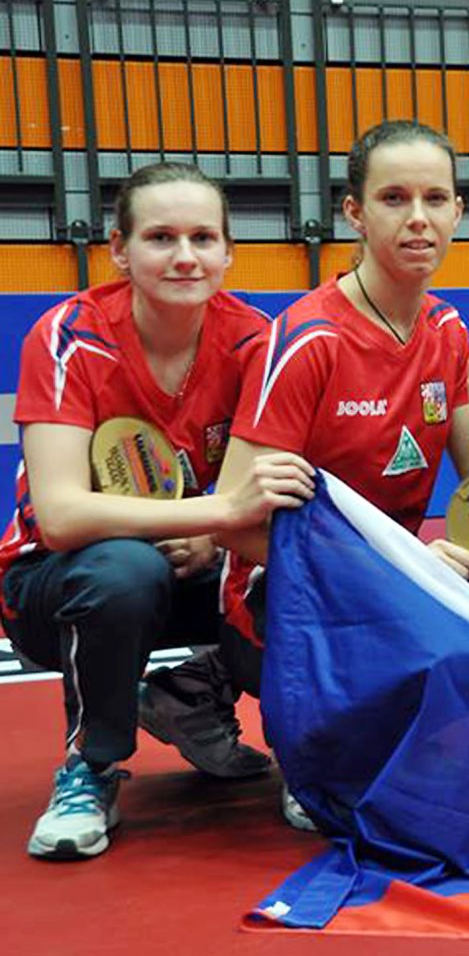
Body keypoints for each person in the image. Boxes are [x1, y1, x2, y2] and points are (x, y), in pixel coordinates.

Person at [0, 162, 316, 859]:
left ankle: (222, 710)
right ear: (119, 249)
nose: (184, 256)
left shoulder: (257, 342)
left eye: (204, 237)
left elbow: (256, 498)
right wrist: (212, 514)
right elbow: (59, 517)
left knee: (298, 567)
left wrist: (213, 532)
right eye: (160, 236)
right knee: (122, 568)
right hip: (57, 588)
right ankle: (90, 766)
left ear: (229, 253)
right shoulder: (69, 338)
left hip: (201, 569)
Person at [214, 120, 469, 831]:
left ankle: (196, 686)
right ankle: (300, 734)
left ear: (459, 212)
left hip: (399, 572)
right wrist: (390, 566)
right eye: (394, 198)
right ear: (354, 213)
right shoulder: (310, 340)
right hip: (290, 585)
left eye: (436, 198)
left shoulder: (447, 329)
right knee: (348, 796)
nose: (418, 219)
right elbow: (234, 515)